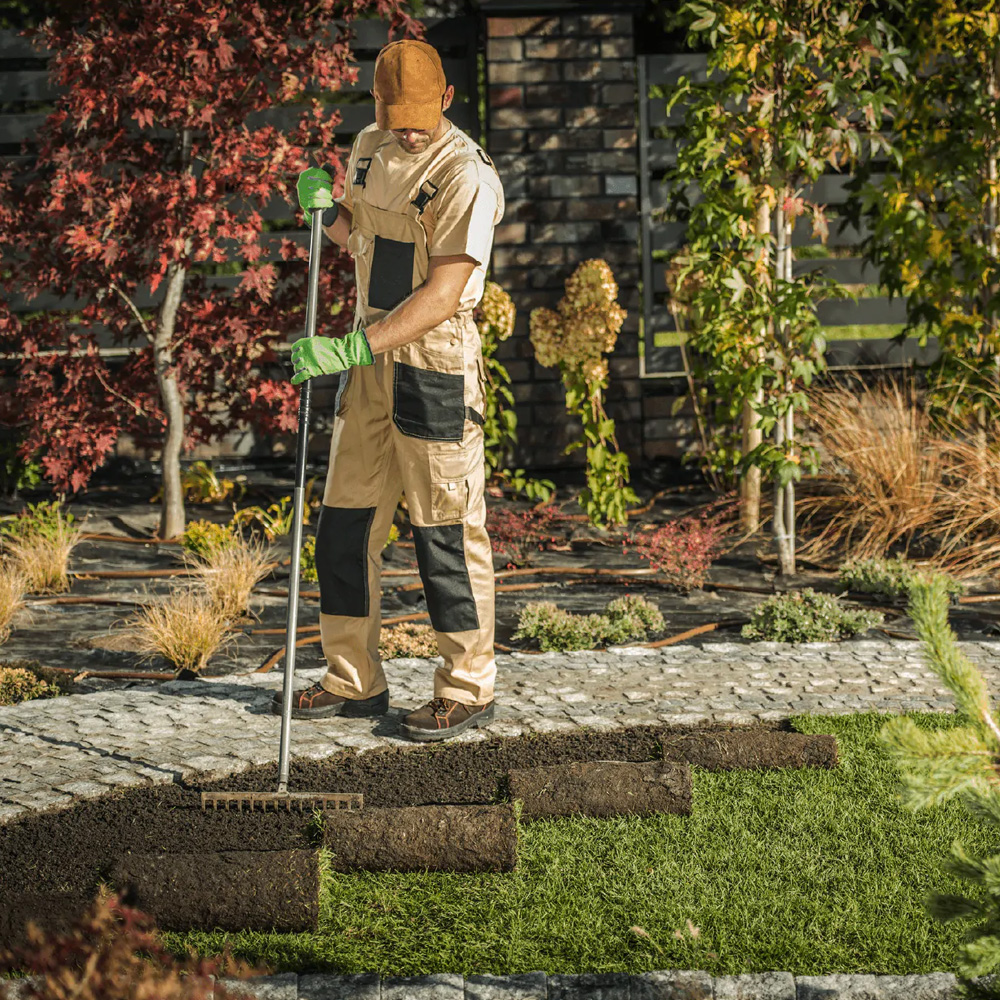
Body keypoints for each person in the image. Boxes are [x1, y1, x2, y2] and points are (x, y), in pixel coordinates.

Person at [273, 38, 505, 742]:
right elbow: (364, 244)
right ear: (376, 104)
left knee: (444, 534)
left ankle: (466, 686)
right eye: (394, 114)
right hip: (369, 362)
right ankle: (352, 680)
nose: (408, 129)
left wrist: (347, 347)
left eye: (420, 116)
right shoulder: (370, 147)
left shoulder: (466, 174)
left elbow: (440, 295)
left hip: (431, 367)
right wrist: (322, 210)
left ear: (447, 99)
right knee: (343, 526)